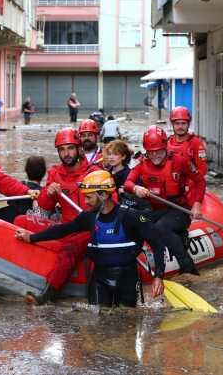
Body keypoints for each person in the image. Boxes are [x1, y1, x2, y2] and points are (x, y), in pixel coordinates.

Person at [16, 170, 166, 307]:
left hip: (127, 279)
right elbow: (63, 230)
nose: (86, 202)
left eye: (89, 197)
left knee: (127, 323)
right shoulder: (89, 217)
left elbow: (158, 242)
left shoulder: (131, 217)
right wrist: (32, 237)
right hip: (99, 279)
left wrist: (158, 276)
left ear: (104, 194)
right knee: (97, 324)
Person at [23, 128, 97, 303]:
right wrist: (48, 193)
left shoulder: (94, 172)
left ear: (79, 149)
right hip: (67, 228)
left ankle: (47, 296)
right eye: (62, 149)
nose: (66, 153)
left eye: (70, 148)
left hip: (90, 228)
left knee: (71, 248)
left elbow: (111, 202)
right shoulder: (55, 173)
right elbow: (43, 206)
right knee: (20, 220)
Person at [124, 125, 204, 275]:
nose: (155, 156)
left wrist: (197, 204)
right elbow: (128, 183)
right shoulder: (141, 163)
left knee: (161, 228)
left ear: (165, 147)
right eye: (151, 152)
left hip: (178, 211)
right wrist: (135, 188)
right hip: (154, 211)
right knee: (134, 221)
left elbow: (200, 181)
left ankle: (188, 268)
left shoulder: (179, 161)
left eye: (159, 151)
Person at [167, 106, 208, 177]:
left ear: (188, 124)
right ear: (172, 124)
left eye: (183, 123)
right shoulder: (167, 142)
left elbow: (202, 170)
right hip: (172, 183)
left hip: (190, 183)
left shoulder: (196, 143)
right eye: (177, 123)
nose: (180, 127)